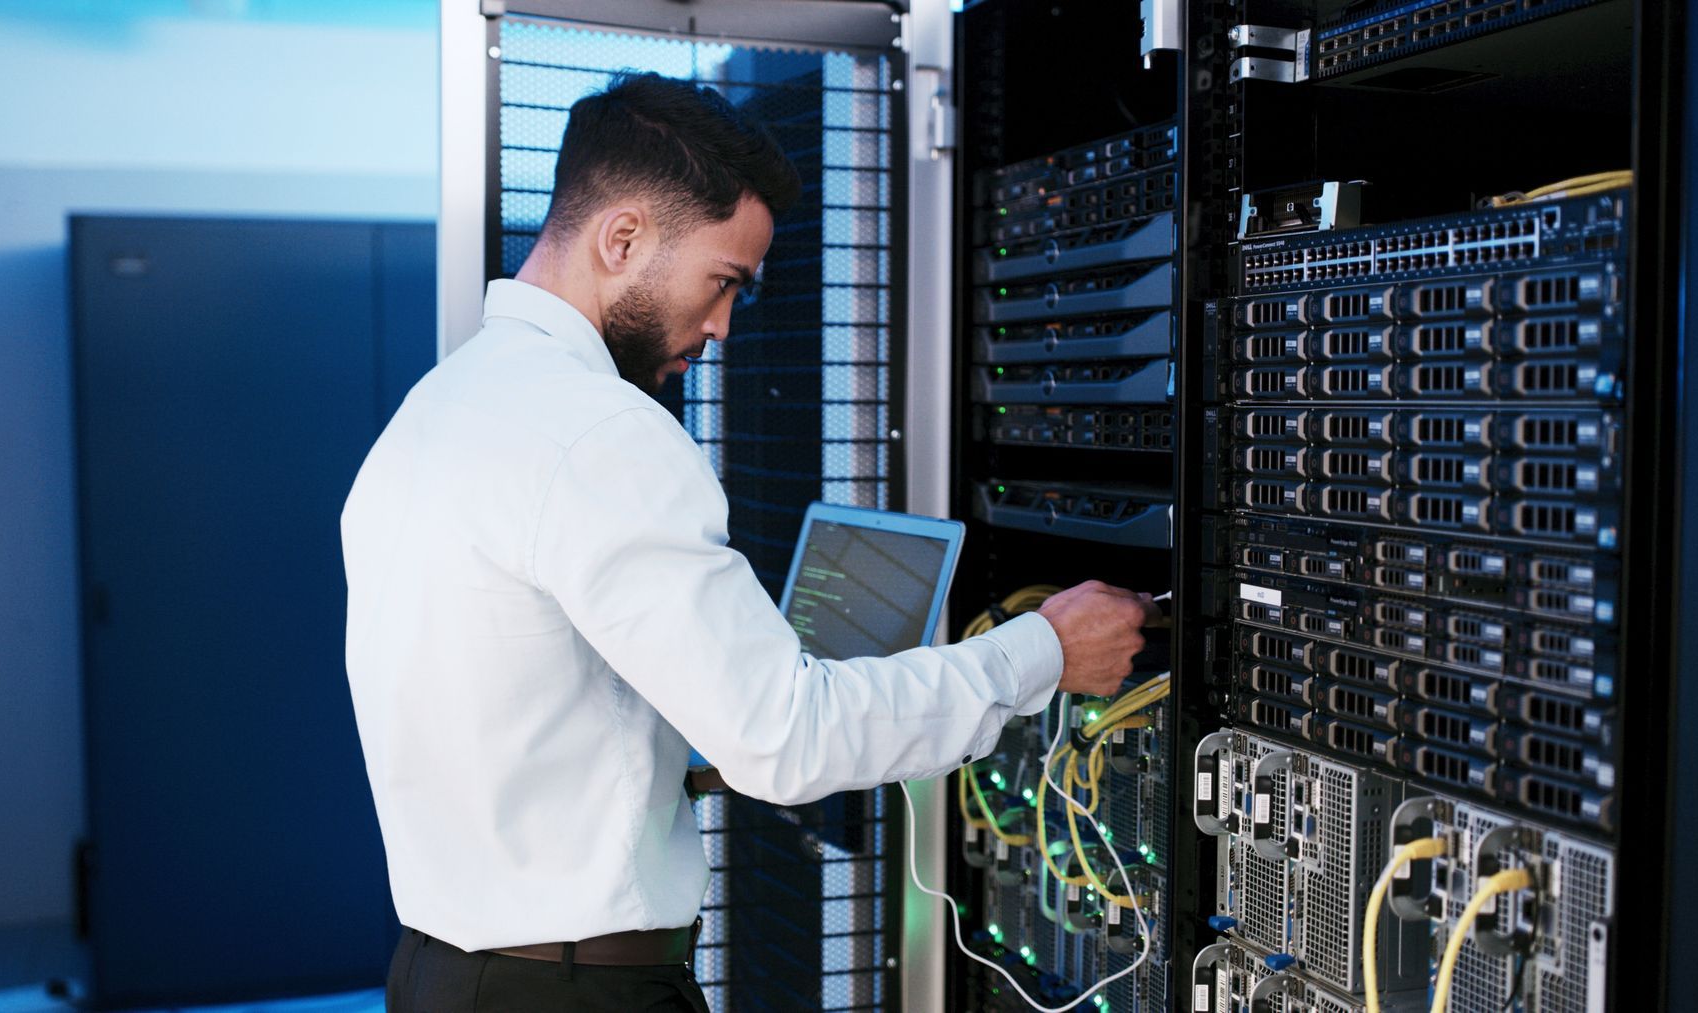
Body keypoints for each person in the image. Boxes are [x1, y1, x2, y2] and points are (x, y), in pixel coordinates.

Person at [340, 71, 1161, 1012]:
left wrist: (696, 733)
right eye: (722, 281)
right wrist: (1043, 652)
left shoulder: (434, 412)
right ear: (623, 238)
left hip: (442, 975)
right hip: (575, 991)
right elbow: (786, 741)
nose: (723, 325)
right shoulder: (602, 432)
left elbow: (510, 696)